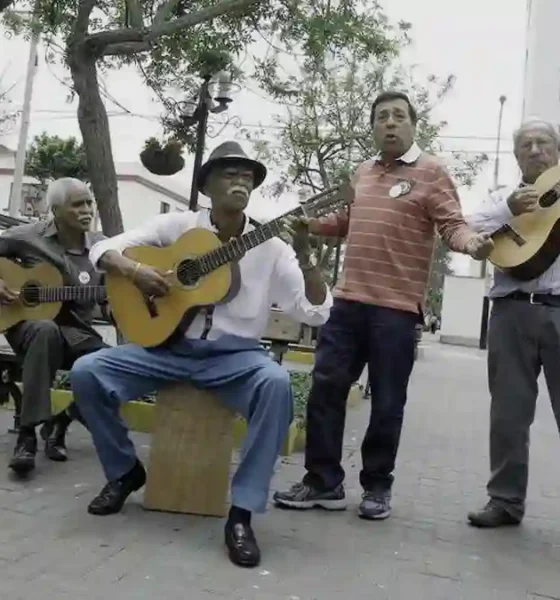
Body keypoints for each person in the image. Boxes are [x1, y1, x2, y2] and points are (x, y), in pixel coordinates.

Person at [68, 141, 332, 568]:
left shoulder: (272, 245)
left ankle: (242, 513)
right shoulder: (178, 227)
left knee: (277, 383)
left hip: (235, 359)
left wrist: (305, 257)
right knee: (86, 372)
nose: (241, 181)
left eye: (247, 176)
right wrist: (137, 271)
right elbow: (103, 249)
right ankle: (123, 471)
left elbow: (315, 312)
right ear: (207, 185)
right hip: (166, 347)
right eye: (230, 174)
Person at [273, 90, 493, 520]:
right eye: (381, 117)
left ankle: (377, 487)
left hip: (396, 310)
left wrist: (473, 244)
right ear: (373, 126)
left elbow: (452, 225)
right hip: (348, 303)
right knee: (325, 391)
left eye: (397, 116)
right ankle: (323, 482)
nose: (389, 123)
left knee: (388, 402)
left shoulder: (432, 173)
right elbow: (347, 222)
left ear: (413, 124)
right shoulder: (363, 172)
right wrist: (311, 224)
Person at [466, 119, 560, 528]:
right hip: (510, 312)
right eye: (526, 145)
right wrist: (509, 210)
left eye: (544, 143)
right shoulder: (499, 196)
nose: (535, 150)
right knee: (508, 414)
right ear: (516, 155)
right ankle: (504, 501)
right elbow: (470, 228)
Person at [0, 178, 108, 476]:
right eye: (77, 204)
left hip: (75, 330)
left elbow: (111, 295)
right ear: (56, 210)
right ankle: (26, 437)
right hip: (26, 325)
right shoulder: (28, 236)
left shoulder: (102, 247)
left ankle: (61, 421)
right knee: (45, 330)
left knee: (114, 364)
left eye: (89, 202)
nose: (87, 210)